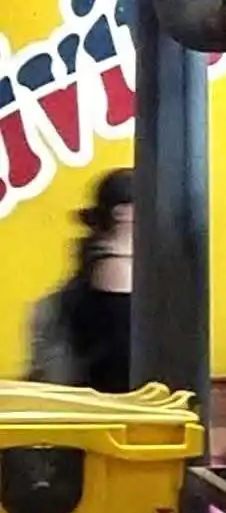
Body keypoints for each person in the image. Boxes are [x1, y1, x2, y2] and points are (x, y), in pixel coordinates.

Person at [27, 168, 134, 392]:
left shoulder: (98, 257)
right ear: (123, 214)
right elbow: (118, 363)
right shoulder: (114, 270)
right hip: (106, 399)